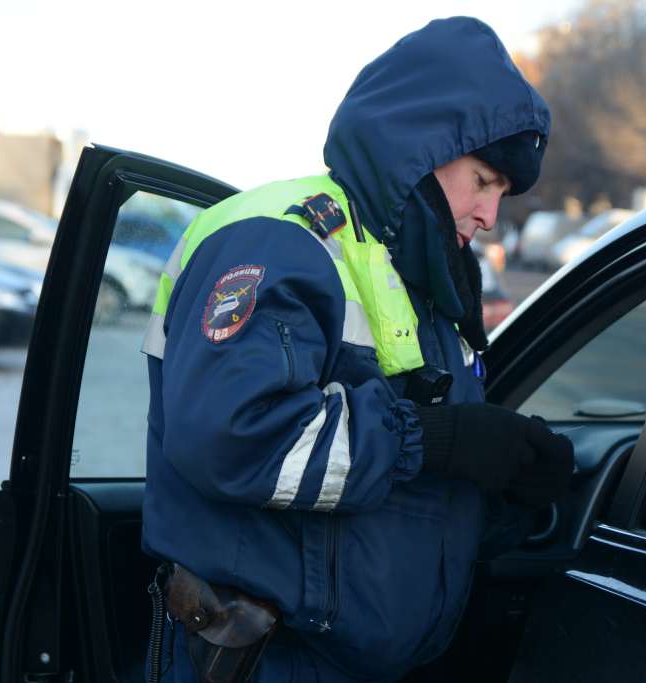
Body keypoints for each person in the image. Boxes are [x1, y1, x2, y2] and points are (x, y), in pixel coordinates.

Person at [139, 17, 574, 683]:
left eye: (503, 195)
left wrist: (506, 486)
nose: (491, 215)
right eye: (484, 180)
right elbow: (231, 437)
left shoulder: (430, 280)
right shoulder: (282, 241)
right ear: (422, 145)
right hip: (262, 659)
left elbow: (394, 499)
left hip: (366, 662)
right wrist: (434, 439)